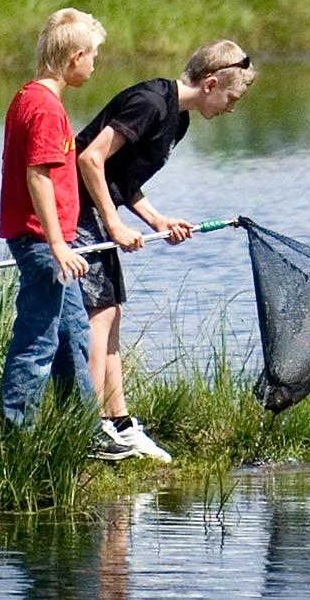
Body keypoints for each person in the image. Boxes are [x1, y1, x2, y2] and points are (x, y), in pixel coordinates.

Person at [75, 40, 257, 462]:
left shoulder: (179, 120)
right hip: (74, 207)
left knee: (113, 311)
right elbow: (89, 158)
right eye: (231, 99)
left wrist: (156, 220)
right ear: (211, 84)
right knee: (98, 316)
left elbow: (121, 176)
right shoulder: (151, 103)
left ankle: (118, 423)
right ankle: (87, 429)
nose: (232, 108)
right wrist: (116, 223)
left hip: (97, 208)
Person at [0, 8, 134, 459]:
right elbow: (37, 175)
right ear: (75, 57)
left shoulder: (28, 96)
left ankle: (81, 433)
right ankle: (17, 441)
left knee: (74, 335)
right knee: (37, 339)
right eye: (92, 55)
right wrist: (57, 245)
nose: (95, 64)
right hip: (43, 244)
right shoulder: (44, 108)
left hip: (56, 243)